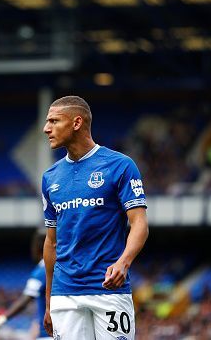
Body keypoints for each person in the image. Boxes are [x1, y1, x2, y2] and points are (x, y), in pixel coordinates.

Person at [41, 96, 149, 340]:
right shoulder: (50, 177)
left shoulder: (120, 165)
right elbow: (51, 242)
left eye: (54, 121)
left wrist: (124, 262)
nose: (46, 128)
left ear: (76, 123)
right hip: (64, 293)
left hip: (109, 290)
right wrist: (48, 302)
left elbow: (139, 223)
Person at [0, 231, 51, 340]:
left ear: (37, 247)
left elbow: (25, 300)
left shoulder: (41, 271)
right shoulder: (57, 268)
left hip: (47, 334)